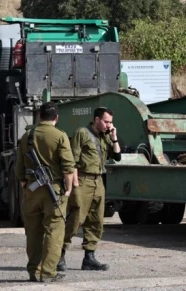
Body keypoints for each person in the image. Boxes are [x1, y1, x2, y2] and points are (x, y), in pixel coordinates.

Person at [16, 101, 75, 283]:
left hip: (32, 190)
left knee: (33, 232)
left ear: (39, 116)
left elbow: (19, 167)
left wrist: (25, 184)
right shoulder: (59, 135)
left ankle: (34, 271)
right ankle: (48, 272)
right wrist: (69, 188)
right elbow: (68, 165)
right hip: (53, 190)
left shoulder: (27, 135)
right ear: (56, 117)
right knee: (54, 231)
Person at [58, 107, 121, 272]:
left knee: (96, 220)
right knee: (76, 218)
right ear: (97, 119)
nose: (109, 125)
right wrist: (76, 187)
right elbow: (73, 161)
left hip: (99, 180)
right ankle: (60, 254)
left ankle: (89, 258)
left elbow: (117, 156)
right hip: (83, 179)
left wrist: (114, 138)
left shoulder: (105, 136)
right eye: (106, 122)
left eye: (111, 122)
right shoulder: (82, 133)